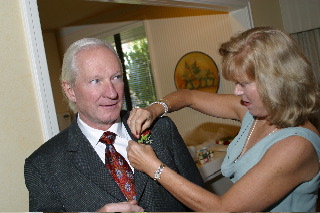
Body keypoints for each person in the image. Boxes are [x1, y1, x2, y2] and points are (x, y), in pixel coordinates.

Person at [127, 27, 320, 212]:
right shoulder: (252, 113)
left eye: (243, 83)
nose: (236, 91)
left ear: (275, 84)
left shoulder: (297, 146)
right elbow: (189, 96)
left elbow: (223, 209)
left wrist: (154, 167)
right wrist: (154, 109)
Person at [24, 38, 204, 212]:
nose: (112, 93)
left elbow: (203, 203)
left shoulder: (161, 130)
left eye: (116, 77)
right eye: (95, 81)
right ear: (70, 91)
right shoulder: (43, 165)